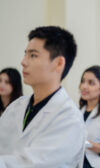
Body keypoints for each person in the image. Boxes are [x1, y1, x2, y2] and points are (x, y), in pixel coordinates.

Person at [0, 26, 86, 167]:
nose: (23, 61)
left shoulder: (69, 119)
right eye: (25, 54)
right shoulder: (16, 106)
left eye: (33, 55)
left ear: (59, 63)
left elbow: (31, 164)